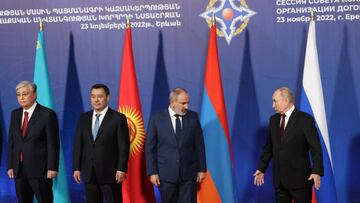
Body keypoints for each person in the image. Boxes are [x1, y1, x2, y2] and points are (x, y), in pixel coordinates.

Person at [253, 87, 324, 203]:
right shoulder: (273, 120)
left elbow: (315, 148)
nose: (273, 105)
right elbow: (269, 147)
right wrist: (262, 168)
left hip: (300, 181)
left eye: (275, 101)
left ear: (286, 101)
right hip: (280, 182)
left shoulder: (305, 120)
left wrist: (316, 171)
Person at [145, 87, 206, 203]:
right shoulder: (156, 118)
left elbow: (199, 144)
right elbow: (150, 148)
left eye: (187, 103)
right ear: (172, 103)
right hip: (166, 174)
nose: (187, 106)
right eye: (183, 103)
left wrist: (202, 168)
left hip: (188, 174)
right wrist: (152, 172)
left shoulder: (193, 117)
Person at [73, 83, 130, 203]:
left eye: (100, 96)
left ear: (107, 98)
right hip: (89, 172)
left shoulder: (118, 118)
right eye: (93, 96)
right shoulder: (84, 118)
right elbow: (78, 144)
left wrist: (121, 169)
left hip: (111, 173)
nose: (96, 100)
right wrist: (76, 168)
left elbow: (123, 146)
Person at [7, 81, 60, 203]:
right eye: (18, 94)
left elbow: (53, 143)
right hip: (19, 169)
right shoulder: (15, 114)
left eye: (25, 94)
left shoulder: (47, 114)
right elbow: (12, 142)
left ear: (34, 94)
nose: (21, 98)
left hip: (40, 170)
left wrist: (52, 167)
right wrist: (10, 165)